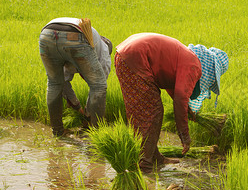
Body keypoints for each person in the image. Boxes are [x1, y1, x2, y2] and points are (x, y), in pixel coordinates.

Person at [115, 33, 229, 174]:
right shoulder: (193, 66)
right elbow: (180, 98)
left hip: (127, 55)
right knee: (152, 113)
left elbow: (173, 89)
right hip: (135, 57)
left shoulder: (187, 59)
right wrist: (184, 136)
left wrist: (187, 110)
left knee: (146, 112)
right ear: (211, 69)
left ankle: (154, 157)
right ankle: (145, 164)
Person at [39, 17, 112, 136]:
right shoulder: (103, 52)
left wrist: (77, 106)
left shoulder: (94, 41)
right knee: (99, 86)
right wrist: (86, 114)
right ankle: (97, 135)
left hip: (46, 34)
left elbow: (63, 82)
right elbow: (98, 87)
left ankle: (58, 131)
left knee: (54, 83)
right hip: (75, 35)